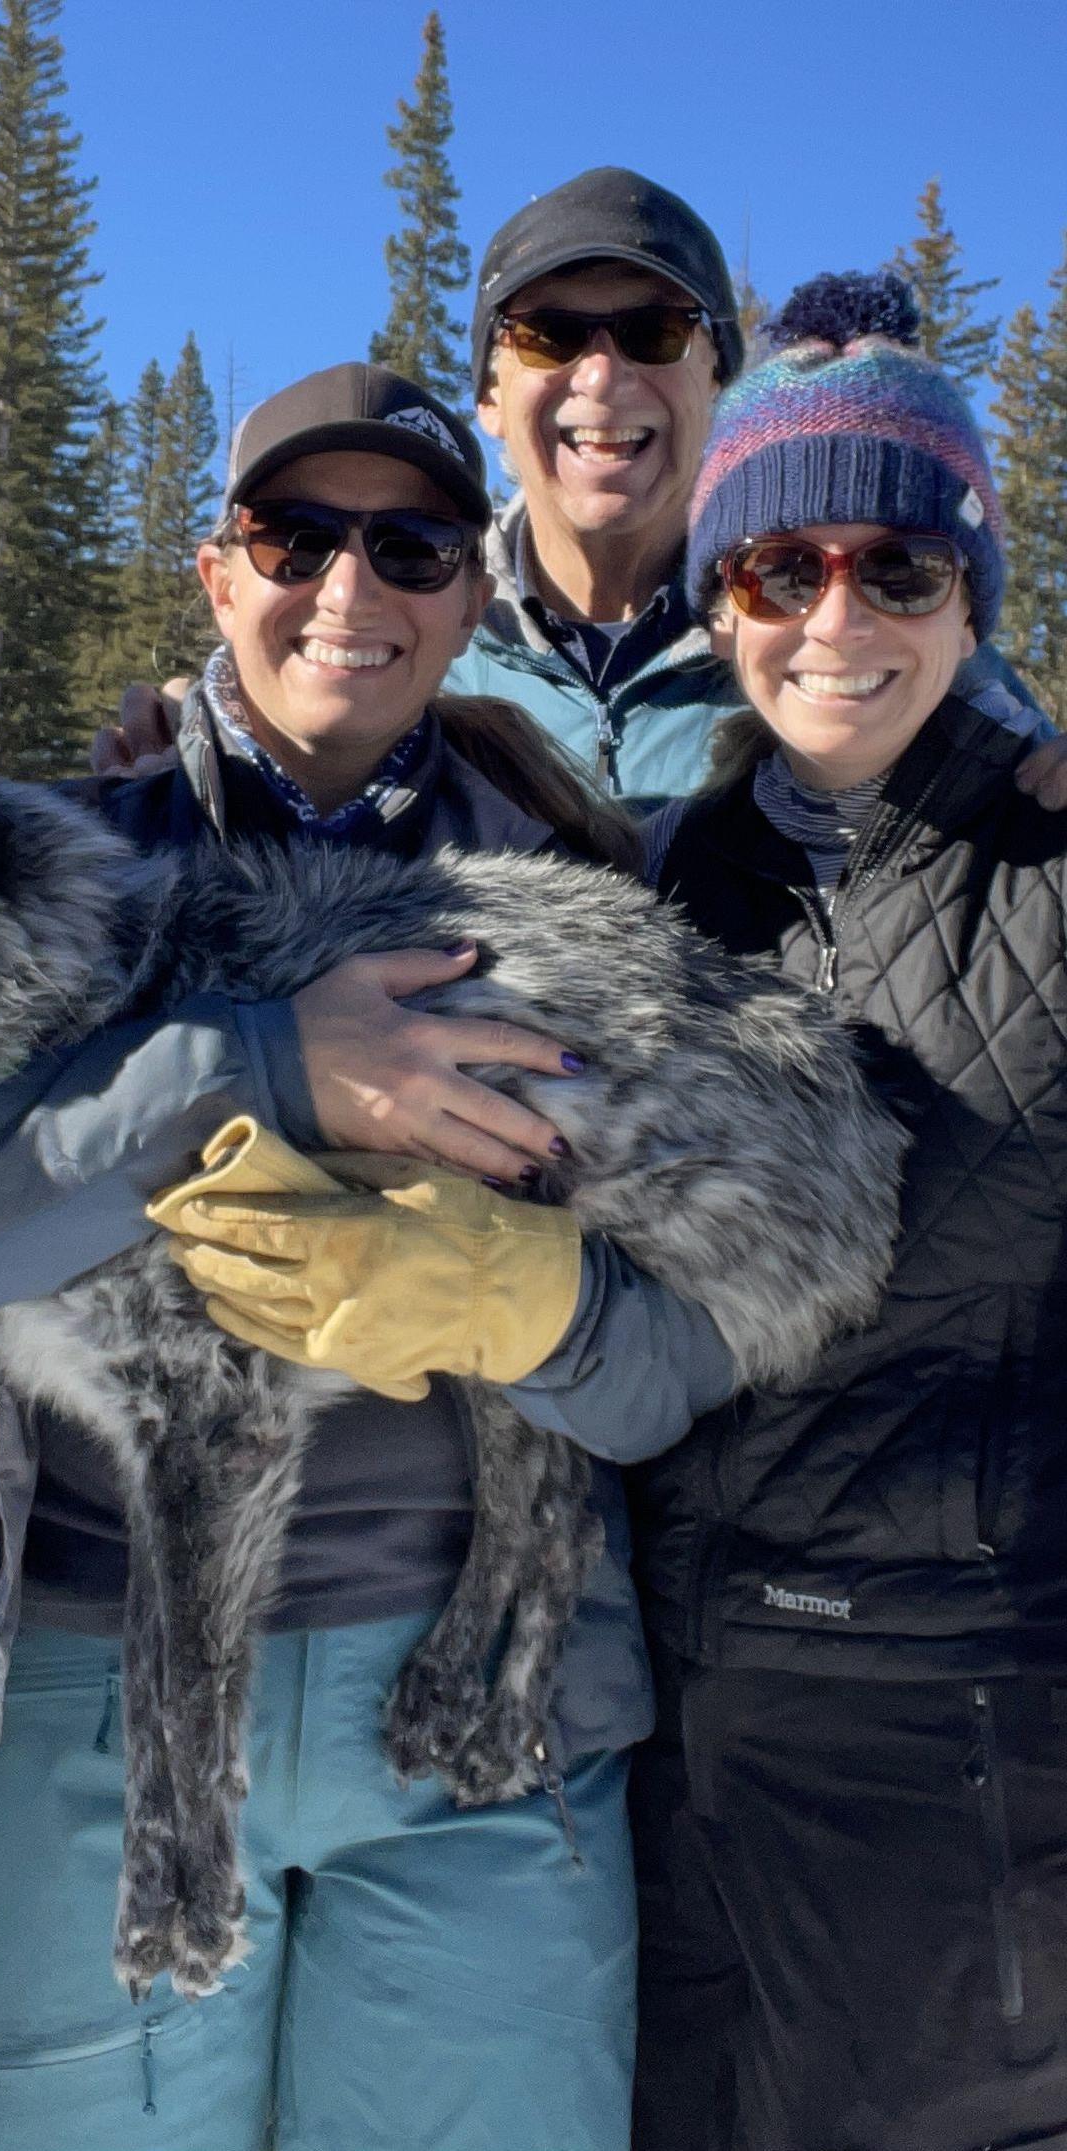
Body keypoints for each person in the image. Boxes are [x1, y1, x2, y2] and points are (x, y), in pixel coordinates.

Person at [0, 364, 738, 2151]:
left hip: (484, 1703)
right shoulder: (38, 863)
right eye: (295, 536)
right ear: (215, 570)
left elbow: (694, 1355)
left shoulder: (582, 875)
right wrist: (263, 1062)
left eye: (412, 546)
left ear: (471, 592)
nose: (347, 590)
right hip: (81, 1680)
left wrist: (547, 1314)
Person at [627, 271, 1067, 2151]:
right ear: (717, 598)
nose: (833, 620)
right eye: (774, 570)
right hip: (662, 1719)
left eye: (895, 569)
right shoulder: (664, 882)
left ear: (967, 596)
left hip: (947, 1733)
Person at [449, 166, 1055, 806]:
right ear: (489, 396)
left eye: (656, 333)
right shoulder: (416, 632)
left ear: (719, 382)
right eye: (550, 336)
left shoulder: (866, 622)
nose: (600, 377)